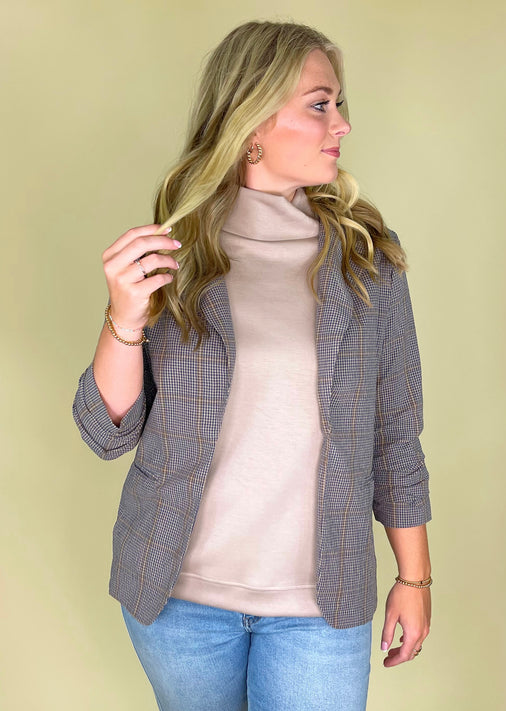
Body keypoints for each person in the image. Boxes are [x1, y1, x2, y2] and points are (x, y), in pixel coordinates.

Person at [72, 19, 432, 711]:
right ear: (253, 121)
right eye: (320, 104)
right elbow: (106, 432)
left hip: (322, 604)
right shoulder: (173, 253)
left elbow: (394, 431)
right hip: (178, 601)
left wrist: (413, 578)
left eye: (339, 103)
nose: (342, 124)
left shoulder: (367, 259)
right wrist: (124, 318)